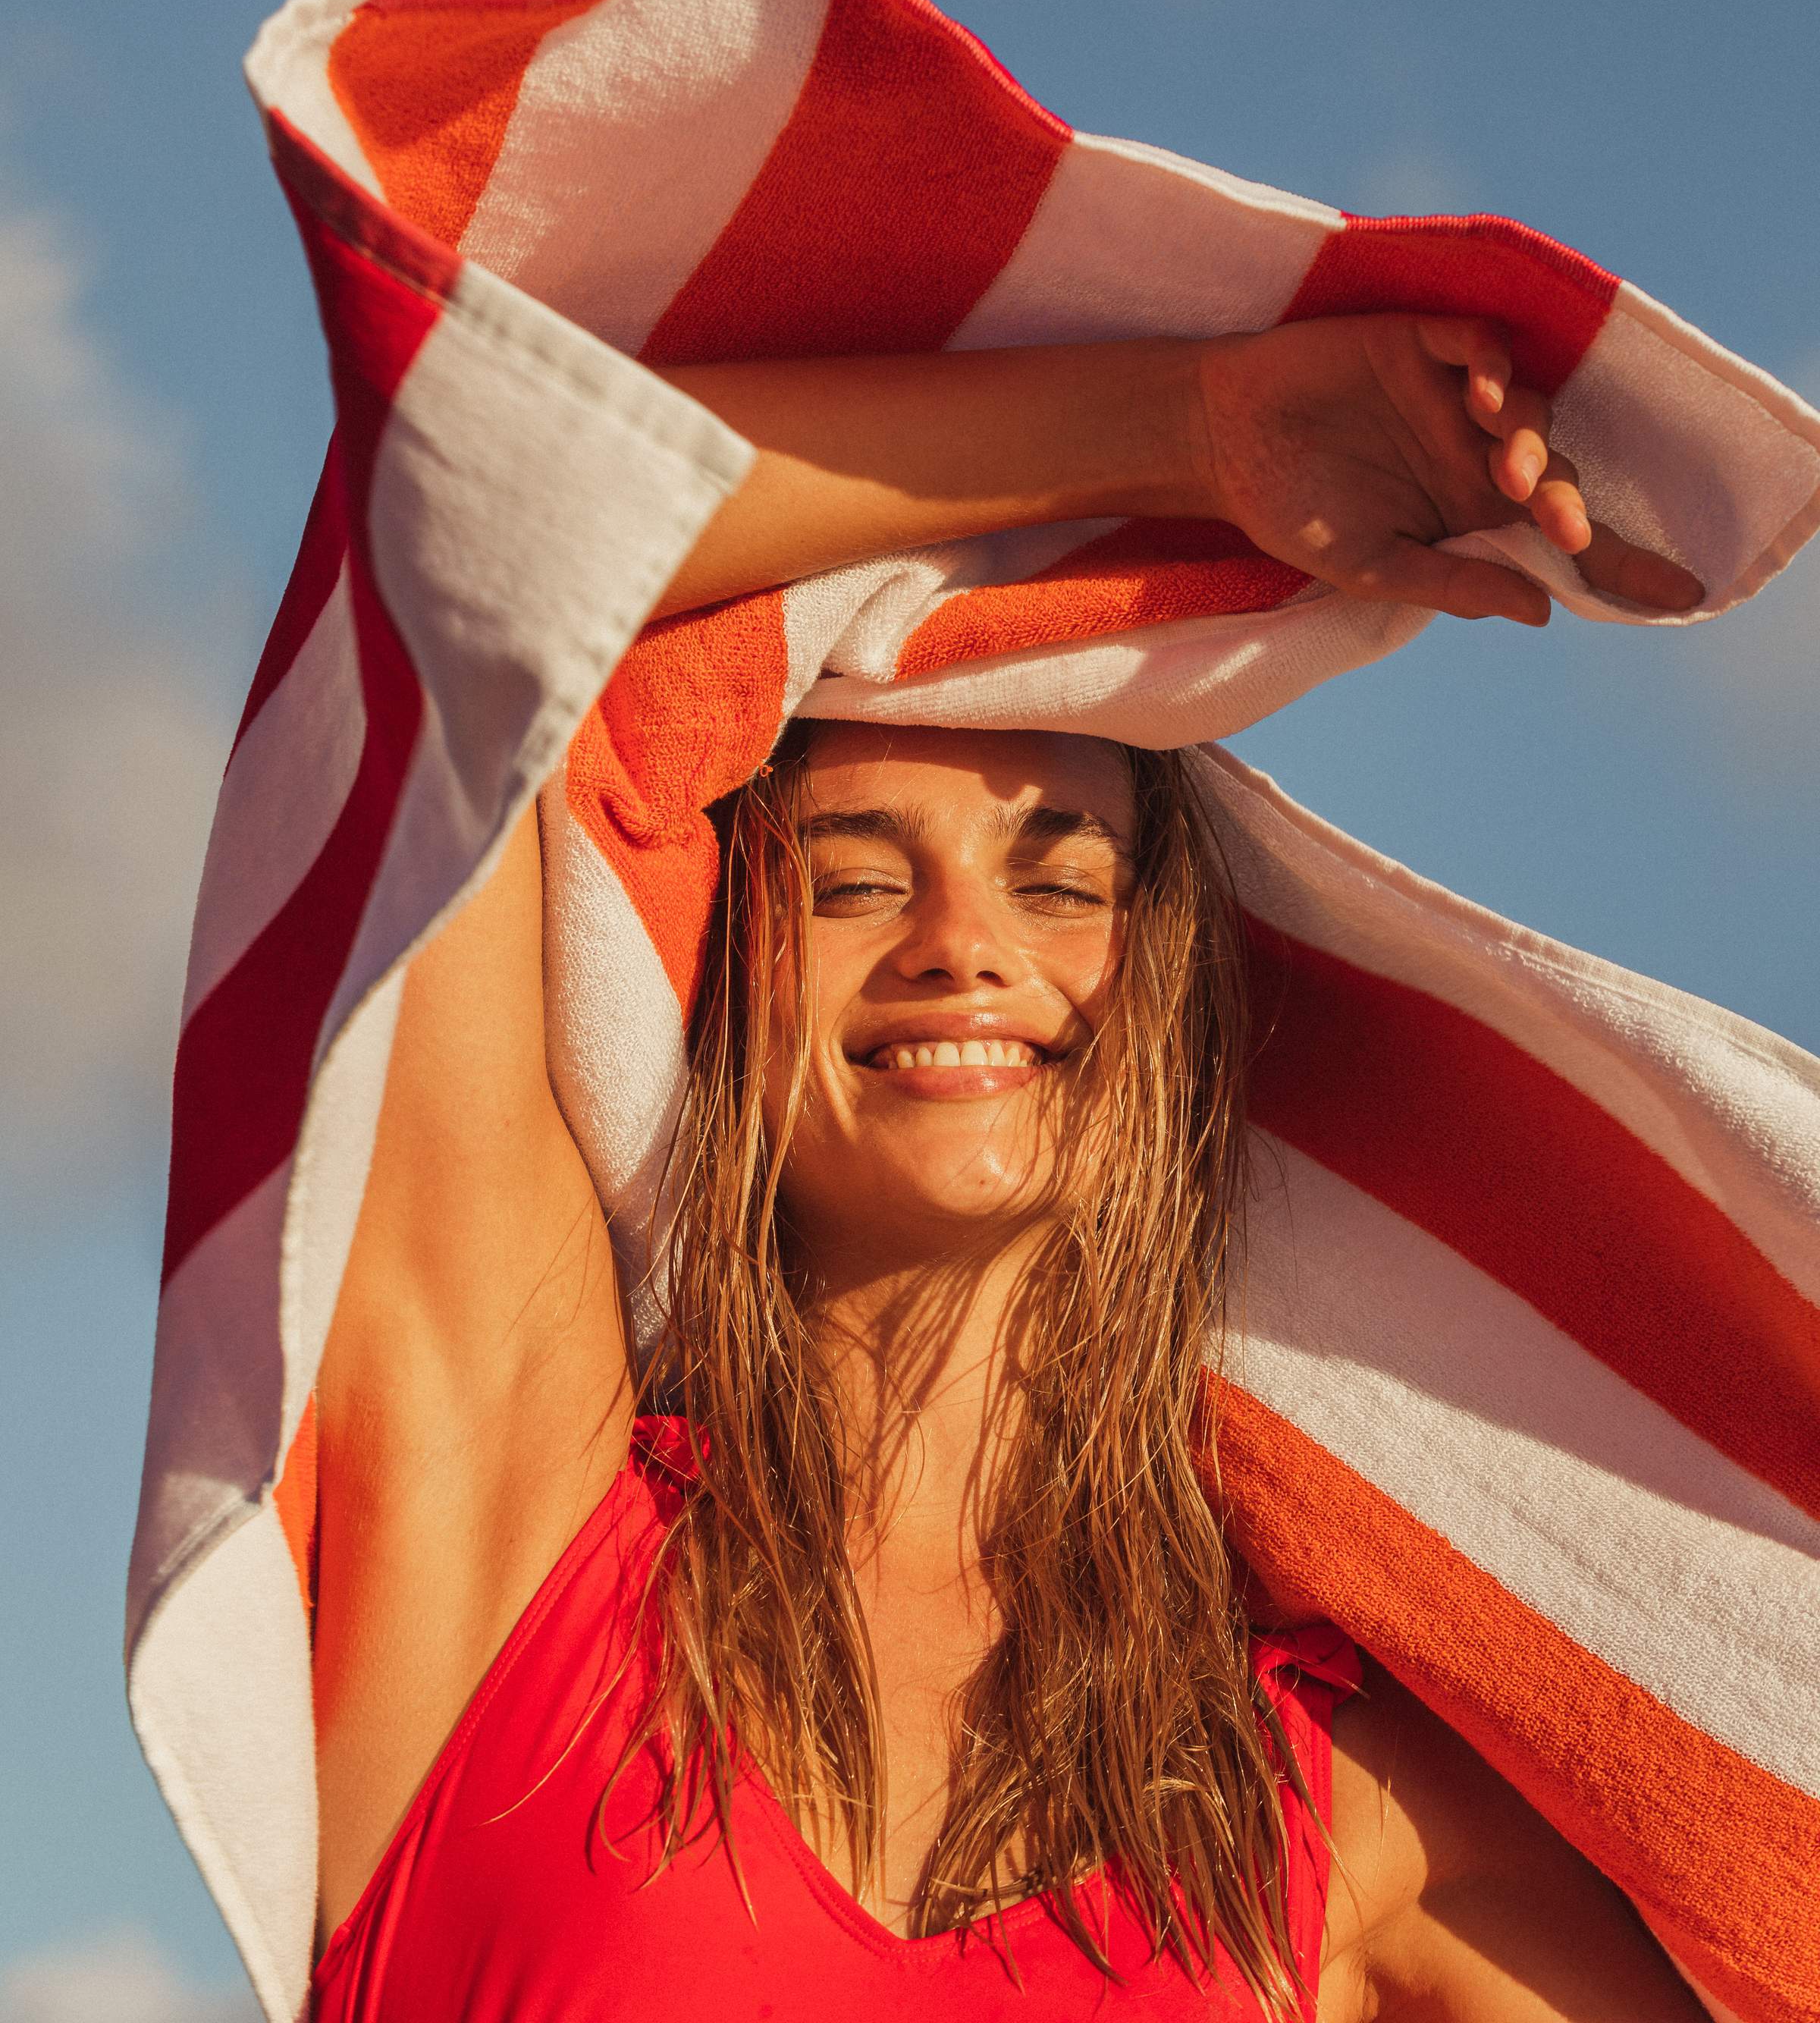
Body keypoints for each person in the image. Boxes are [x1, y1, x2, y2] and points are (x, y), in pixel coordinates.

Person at [307, 313, 1711, 2020]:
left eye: (1058, 887)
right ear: (725, 977)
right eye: (852, 881)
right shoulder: (507, 1529)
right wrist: (1190, 432)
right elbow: (458, 518)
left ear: (1173, 1009)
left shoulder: (1350, 1811)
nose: (964, 946)